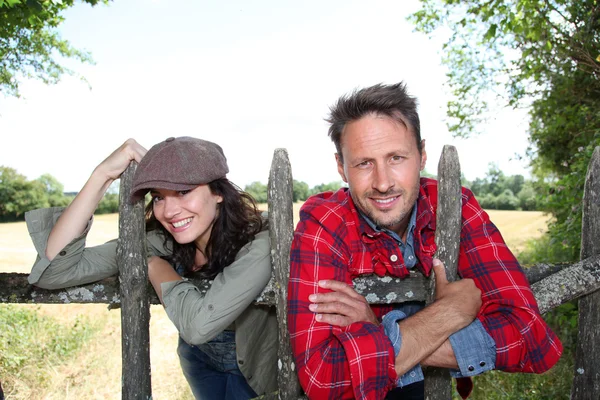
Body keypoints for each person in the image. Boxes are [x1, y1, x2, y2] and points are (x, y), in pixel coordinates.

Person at [287, 82, 563, 400]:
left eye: (396, 158)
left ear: (421, 156)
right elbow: (323, 378)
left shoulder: (453, 207)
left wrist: (379, 336)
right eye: (364, 163)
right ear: (341, 168)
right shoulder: (326, 222)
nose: (382, 182)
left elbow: (532, 338)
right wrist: (450, 312)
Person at [26, 137, 277, 400]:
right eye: (158, 197)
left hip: (253, 368)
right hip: (200, 361)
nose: (169, 211)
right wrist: (102, 175)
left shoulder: (261, 241)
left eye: (183, 191)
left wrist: (153, 265)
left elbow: (198, 325)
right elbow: (55, 271)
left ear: (218, 193)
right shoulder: (162, 240)